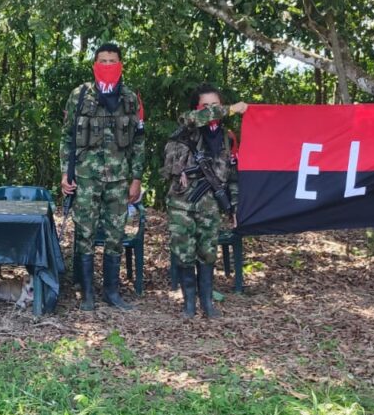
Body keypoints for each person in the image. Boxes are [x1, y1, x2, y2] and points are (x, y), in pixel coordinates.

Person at [59, 43, 145, 311]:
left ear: (120, 64)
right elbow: (67, 136)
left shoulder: (130, 98)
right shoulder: (80, 95)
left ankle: (111, 291)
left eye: (112, 61)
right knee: (83, 233)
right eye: (103, 61)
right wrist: (65, 171)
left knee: (115, 234)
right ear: (95, 64)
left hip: (119, 180)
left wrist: (137, 178)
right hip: (85, 178)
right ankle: (86, 293)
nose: (107, 65)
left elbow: (139, 141)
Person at [163, 85, 247, 319]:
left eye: (216, 105)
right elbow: (192, 118)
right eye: (206, 106)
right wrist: (229, 109)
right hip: (182, 202)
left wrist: (234, 207)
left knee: (208, 252)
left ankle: (207, 302)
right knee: (183, 252)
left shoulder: (227, 138)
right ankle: (189, 304)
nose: (213, 111)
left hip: (210, 203)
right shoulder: (188, 126)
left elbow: (232, 176)